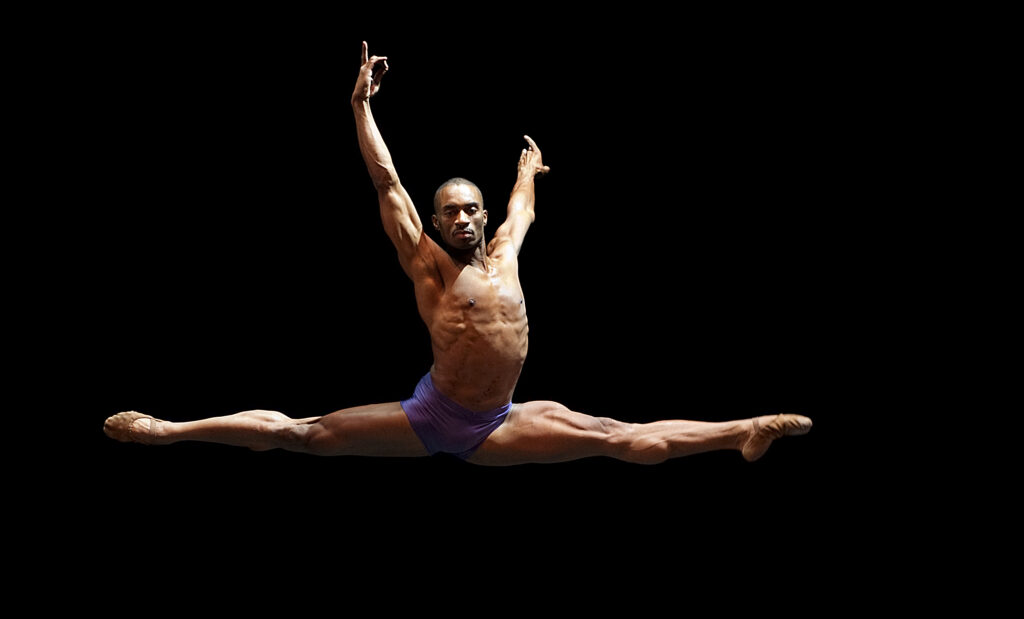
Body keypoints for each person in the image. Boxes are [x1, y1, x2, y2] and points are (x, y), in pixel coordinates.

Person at [104, 42, 811, 465]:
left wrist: (527, 174)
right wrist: (360, 107)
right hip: (433, 414)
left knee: (622, 438)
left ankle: (746, 430)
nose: (466, 218)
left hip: (499, 421)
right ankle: (168, 430)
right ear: (438, 223)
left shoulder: (505, 249)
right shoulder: (427, 261)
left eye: (473, 207)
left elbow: (523, 209)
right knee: (306, 434)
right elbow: (386, 180)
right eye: (452, 211)